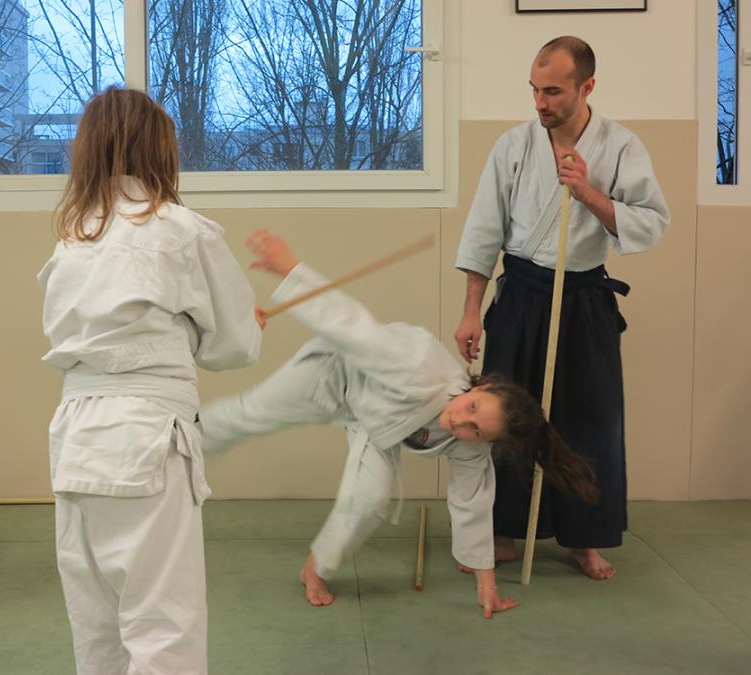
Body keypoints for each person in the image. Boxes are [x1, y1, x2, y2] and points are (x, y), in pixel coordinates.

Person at [200, 230, 597, 619]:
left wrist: (486, 584)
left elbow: (472, 503)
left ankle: (316, 567)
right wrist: (290, 268)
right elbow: (354, 328)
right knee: (248, 414)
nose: (461, 421)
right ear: (483, 386)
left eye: (476, 430)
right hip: (335, 375)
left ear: (488, 441)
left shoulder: (471, 446)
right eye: (472, 407)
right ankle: (181, 445)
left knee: (370, 499)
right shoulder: (419, 366)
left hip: (376, 425)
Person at [38, 87, 262, 675]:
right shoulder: (182, 229)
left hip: (76, 433)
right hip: (145, 433)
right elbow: (234, 345)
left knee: (97, 620)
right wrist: (236, 325)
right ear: (161, 149)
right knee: (162, 624)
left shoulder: (73, 238)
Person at [453, 36, 669, 581]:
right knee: (505, 416)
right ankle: (503, 531)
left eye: (552, 91)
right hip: (521, 295)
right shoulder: (513, 146)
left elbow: (652, 223)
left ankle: (584, 539)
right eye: (534, 89)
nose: (540, 102)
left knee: (590, 420)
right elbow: (483, 231)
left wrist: (589, 193)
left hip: (584, 299)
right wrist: (472, 311)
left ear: (587, 86)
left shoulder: (621, 147)